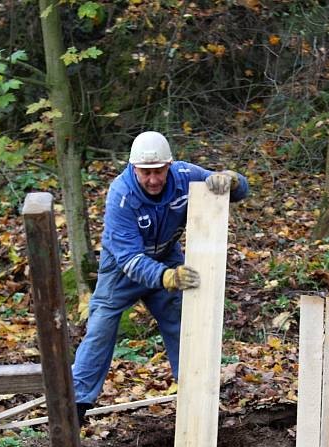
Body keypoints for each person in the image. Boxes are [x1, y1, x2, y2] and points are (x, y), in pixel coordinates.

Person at [72, 131, 249, 423]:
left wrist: (231, 180)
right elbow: (129, 258)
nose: (153, 180)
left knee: (183, 324)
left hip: (168, 259)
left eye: (159, 172)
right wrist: (165, 277)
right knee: (100, 329)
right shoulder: (121, 194)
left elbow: (235, 189)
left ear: (169, 165)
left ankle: (195, 396)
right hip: (121, 272)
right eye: (146, 173)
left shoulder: (184, 175)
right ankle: (77, 405)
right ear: (133, 168)